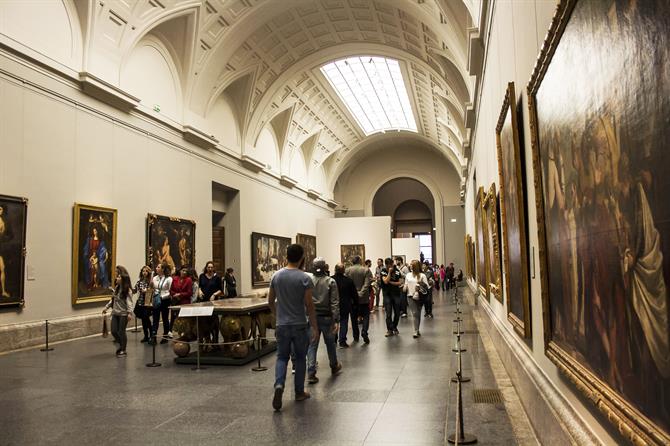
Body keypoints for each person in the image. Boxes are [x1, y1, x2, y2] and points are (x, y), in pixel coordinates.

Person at [268, 244, 318, 411]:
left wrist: (277, 316)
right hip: (299, 324)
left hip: (282, 325)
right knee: (300, 358)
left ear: (286, 256)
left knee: (282, 357)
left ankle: (279, 384)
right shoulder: (304, 278)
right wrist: (315, 327)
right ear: (302, 257)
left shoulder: (276, 276)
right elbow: (309, 305)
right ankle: (298, 392)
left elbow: (270, 301)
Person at [307, 258, 341, 384]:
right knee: (330, 343)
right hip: (327, 317)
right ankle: (334, 365)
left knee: (312, 345)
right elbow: (334, 302)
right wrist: (336, 319)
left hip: (312, 317)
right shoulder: (330, 281)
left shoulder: (308, 281)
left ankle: (311, 371)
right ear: (325, 267)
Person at [102, 265, 134, 356]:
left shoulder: (127, 290)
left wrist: (129, 313)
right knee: (114, 331)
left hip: (123, 314)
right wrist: (106, 307)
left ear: (123, 279)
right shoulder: (116, 288)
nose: (117, 278)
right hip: (115, 312)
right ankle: (121, 345)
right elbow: (113, 300)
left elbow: (129, 302)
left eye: (119, 276)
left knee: (121, 331)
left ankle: (123, 349)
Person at [345, 256, 373, 344]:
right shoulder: (366, 270)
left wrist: (354, 294)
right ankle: (364, 331)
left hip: (352, 298)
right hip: (363, 297)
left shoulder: (347, 270)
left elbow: (348, 284)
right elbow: (367, 283)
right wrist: (361, 293)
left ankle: (356, 336)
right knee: (366, 316)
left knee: (353, 318)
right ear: (360, 261)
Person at [332, 263, 357, 348]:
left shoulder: (331, 280)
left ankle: (333, 339)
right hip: (345, 305)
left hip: (333, 305)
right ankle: (342, 341)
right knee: (344, 322)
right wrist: (355, 304)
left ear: (335, 270)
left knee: (334, 322)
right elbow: (354, 294)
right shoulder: (348, 280)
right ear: (343, 270)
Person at [150, 262, 173, 345]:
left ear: (163, 269)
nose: (156, 268)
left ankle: (165, 336)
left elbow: (170, 291)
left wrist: (162, 297)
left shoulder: (169, 279)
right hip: (156, 299)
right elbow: (152, 288)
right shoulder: (155, 278)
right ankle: (154, 337)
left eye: (158, 267)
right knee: (155, 318)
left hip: (165, 300)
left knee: (165, 318)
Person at [405, 260, 429, 338]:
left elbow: (426, 287)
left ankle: (417, 330)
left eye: (412, 265)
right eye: (410, 265)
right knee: (415, 313)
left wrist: (419, 288)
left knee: (418, 313)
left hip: (419, 297)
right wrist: (404, 287)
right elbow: (406, 284)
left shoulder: (422, 275)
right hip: (410, 296)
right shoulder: (408, 275)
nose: (410, 266)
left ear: (415, 266)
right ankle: (415, 331)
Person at [381, 257, 403, 336]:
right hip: (387, 295)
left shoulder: (397, 271)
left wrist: (391, 282)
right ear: (386, 265)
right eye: (389, 265)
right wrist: (389, 273)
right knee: (388, 313)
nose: (391, 266)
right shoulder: (383, 271)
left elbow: (400, 282)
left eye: (392, 264)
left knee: (397, 313)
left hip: (396, 294)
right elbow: (385, 281)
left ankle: (394, 326)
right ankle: (389, 330)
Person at [169, 265, 193, 335]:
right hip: (175, 301)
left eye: (186, 271)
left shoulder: (189, 280)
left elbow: (189, 293)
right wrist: (175, 295)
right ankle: (171, 331)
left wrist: (180, 295)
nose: (184, 272)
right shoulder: (175, 278)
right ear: (180, 271)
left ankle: (183, 333)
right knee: (173, 317)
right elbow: (171, 290)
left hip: (184, 302)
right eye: (183, 270)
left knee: (183, 319)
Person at [132, 265, 153, 343]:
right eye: (143, 271)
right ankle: (146, 336)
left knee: (146, 319)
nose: (144, 273)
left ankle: (151, 335)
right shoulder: (139, 281)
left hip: (147, 302)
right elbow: (134, 290)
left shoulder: (150, 282)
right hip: (140, 301)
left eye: (146, 271)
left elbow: (152, 291)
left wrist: (146, 291)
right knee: (143, 320)